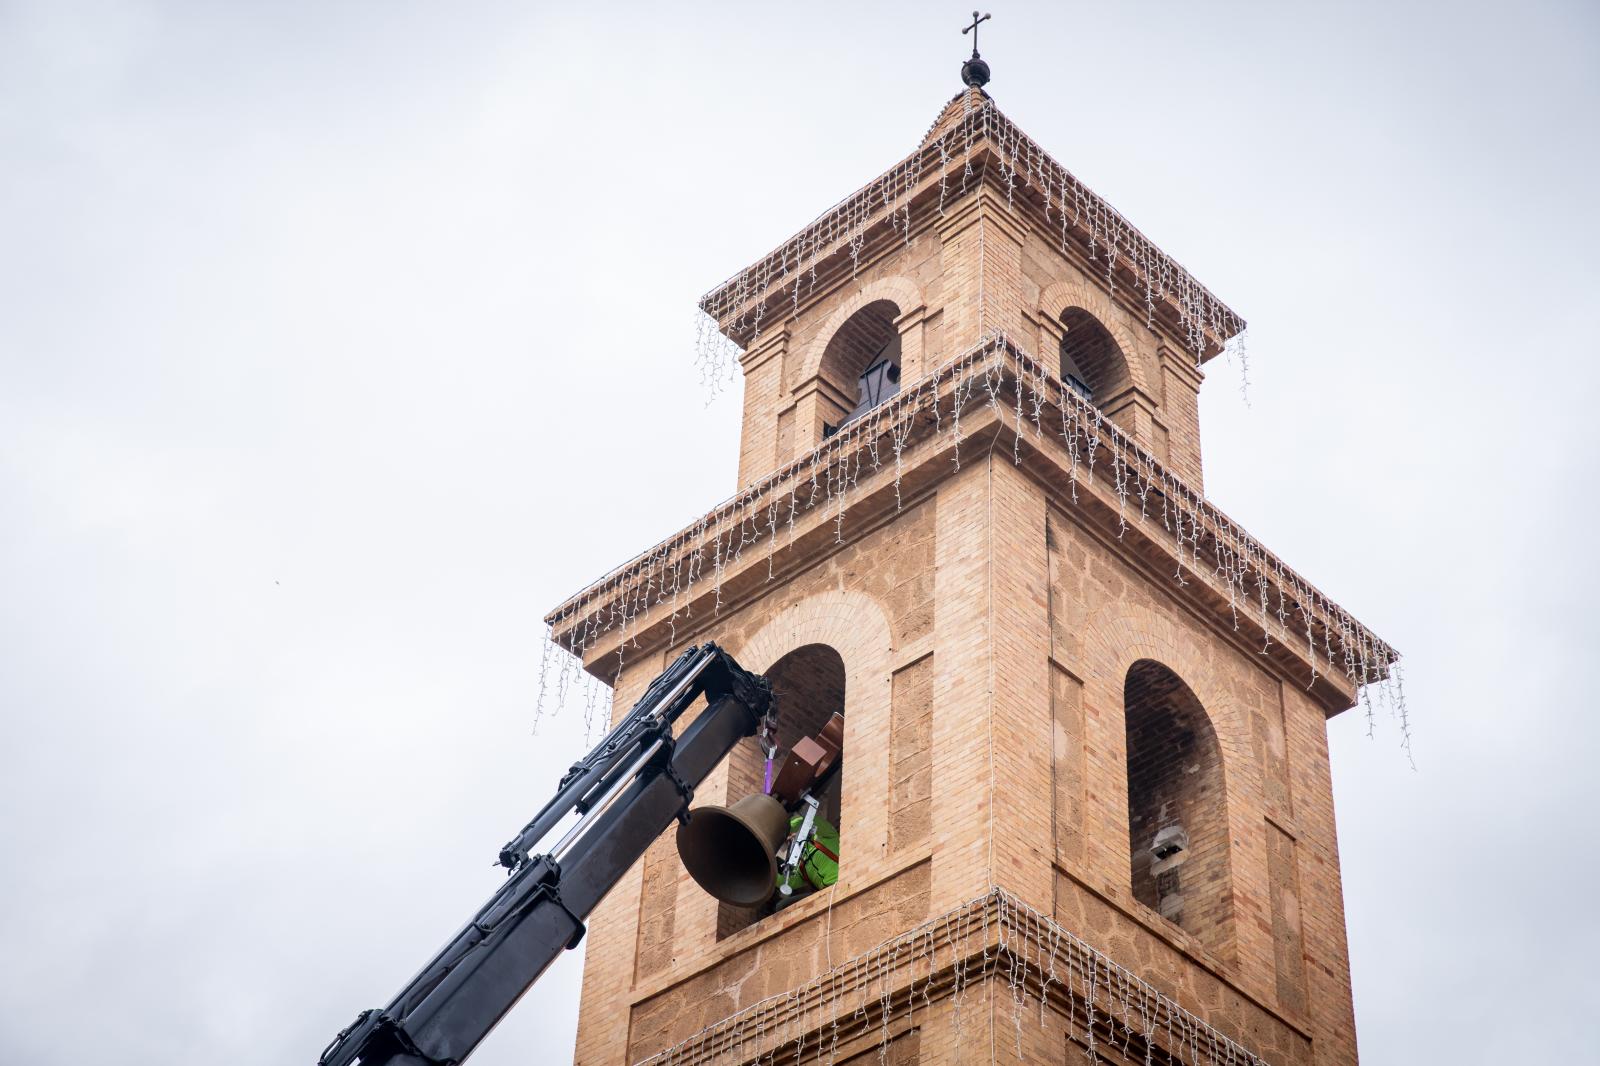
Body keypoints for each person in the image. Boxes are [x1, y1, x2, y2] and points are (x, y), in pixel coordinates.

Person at [774, 811, 838, 907]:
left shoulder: (827, 837)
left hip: (841, 881)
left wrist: (787, 827)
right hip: (826, 895)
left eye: (791, 835)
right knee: (781, 906)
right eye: (788, 839)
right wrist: (767, 872)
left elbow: (813, 819)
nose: (790, 839)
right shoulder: (800, 865)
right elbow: (788, 883)